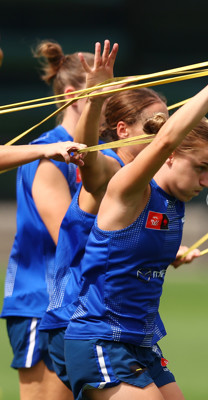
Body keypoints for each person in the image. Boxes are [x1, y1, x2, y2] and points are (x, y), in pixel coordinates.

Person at [62, 24, 208, 400]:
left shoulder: (172, 194)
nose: (206, 182)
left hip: (140, 341)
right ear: (168, 157)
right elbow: (171, 137)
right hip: (100, 338)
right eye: (200, 169)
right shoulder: (127, 186)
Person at [1, 39, 95, 400]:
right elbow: (71, 241)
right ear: (73, 96)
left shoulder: (100, 153)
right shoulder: (49, 153)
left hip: (80, 304)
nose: (109, 104)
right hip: (41, 302)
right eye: (100, 93)